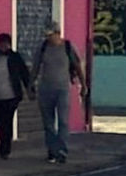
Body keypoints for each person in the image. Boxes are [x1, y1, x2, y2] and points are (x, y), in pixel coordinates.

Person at [30, 22, 87, 164]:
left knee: (63, 120)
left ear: (58, 33)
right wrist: (30, 85)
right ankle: (52, 150)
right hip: (45, 89)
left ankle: (62, 150)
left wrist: (83, 85)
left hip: (62, 89)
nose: (49, 38)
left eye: (51, 35)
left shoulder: (68, 47)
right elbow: (35, 67)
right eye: (47, 36)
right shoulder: (43, 48)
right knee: (48, 123)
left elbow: (78, 66)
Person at [0, 33, 32, 159]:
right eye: (1, 43)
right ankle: (4, 144)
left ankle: (5, 149)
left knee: (8, 121)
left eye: (6, 43)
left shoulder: (15, 58)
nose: (4, 46)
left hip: (12, 96)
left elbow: (24, 73)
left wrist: (30, 89)